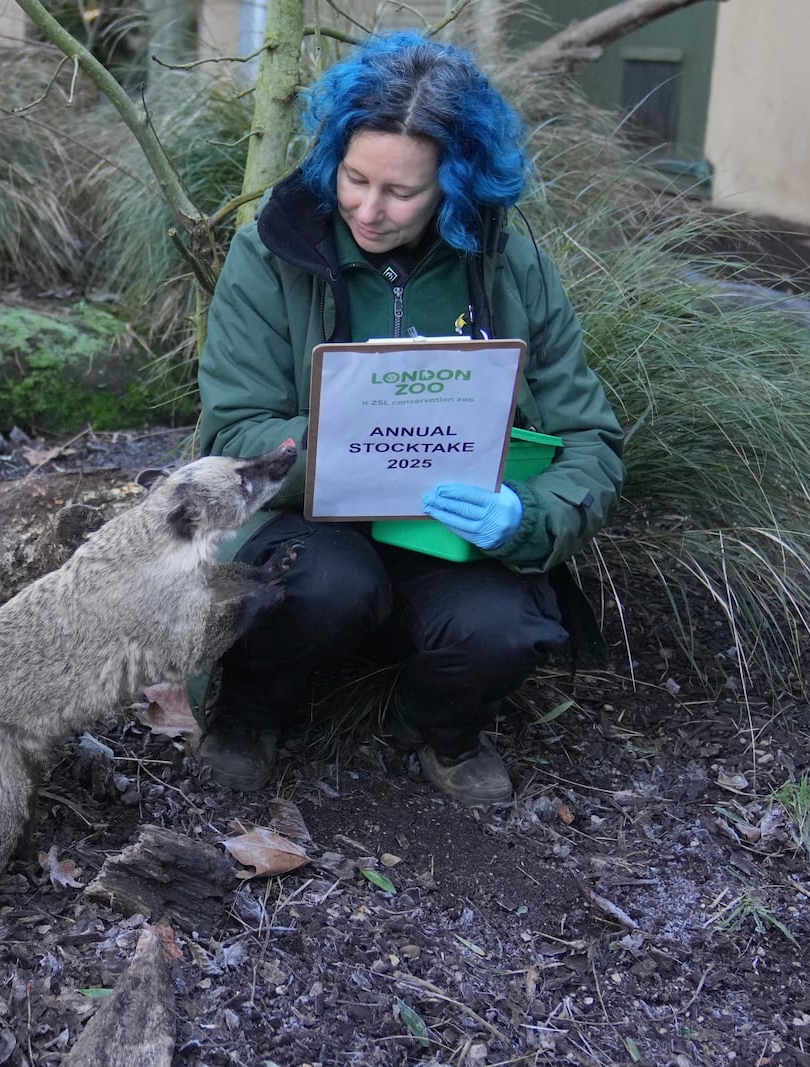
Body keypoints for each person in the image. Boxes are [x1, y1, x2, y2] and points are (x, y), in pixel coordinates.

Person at [195, 31, 625, 806]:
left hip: (448, 536)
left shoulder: (509, 266)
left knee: (503, 624)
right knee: (320, 585)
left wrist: (526, 516)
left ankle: (445, 729)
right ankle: (250, 715)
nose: (368, 208)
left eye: (402, 192)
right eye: (354, 178)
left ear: (454, 189)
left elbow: (590, 440)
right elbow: (230, 435)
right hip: (310, 527)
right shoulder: (269, 255)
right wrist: (338, 441)